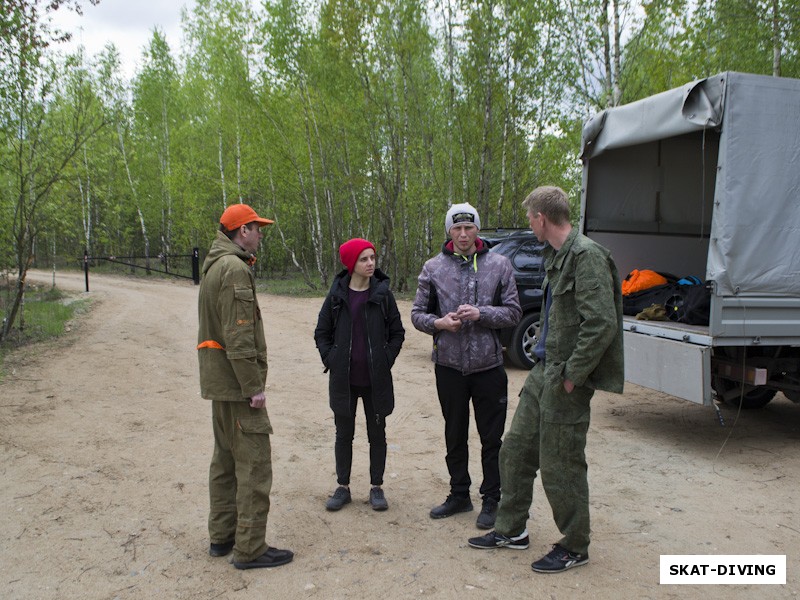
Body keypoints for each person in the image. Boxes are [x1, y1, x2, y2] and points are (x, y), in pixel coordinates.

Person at [467, 186, 624, 573]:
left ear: (541, 218)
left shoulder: (586, 257)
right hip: (543, 370)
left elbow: (601, 324)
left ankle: (574, 545)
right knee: (515, 451)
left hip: (564, 376)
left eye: (529, 218)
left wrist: (572, 376)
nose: (529, 224)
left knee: (561, 464)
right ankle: (511, 529)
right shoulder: (556, 254)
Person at [411, 203, 521, 530]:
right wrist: (441, 323)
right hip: (449, 366)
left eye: (469, 228)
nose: (463, 235)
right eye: (456, 229)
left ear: (477, 230)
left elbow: (514, 312)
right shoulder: (433, 268)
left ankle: (492, 499)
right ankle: (459, 494)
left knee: (491, 437)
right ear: (449, 231)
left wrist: (481, 314)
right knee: (454, 433)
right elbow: (417, 314)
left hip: (489, 366)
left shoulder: (500, 265)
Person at [197, 203, 293, 570]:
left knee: (224, 461)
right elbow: (238, 336)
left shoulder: (214, 265)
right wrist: (254, 387)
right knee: (253, 465)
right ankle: (250, 548)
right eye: (257, 227)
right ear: (242, 232)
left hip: (220, 383)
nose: (261, 233)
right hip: (237, 386)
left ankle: (222, 537)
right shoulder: (235, 269)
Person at [314, 238, 405, 512]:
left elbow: (397, 333)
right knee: (344, 434)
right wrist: (332, 358)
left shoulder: (383, 295)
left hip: (375, 379)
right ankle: (343, 487)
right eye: (364, 259)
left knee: (377, 435)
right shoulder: (336, 296)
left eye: (372, 258)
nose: (370, 263)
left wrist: (385, 358)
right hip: (344, 380)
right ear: (351, 263)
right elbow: (322, 333)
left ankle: (376, 487)